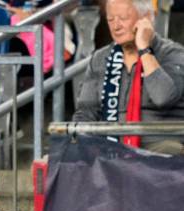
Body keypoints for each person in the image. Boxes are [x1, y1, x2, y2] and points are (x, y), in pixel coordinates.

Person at [73, 0, 184, 155]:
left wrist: (144, 50)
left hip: (158, 146)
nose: (116, 26)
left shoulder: (173, 54)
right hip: (112, 146)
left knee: (167, 152)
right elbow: (85, 113)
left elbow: (163, 97)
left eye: (123, 18)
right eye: (110, 19)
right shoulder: (100, 59)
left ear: (146, 18)